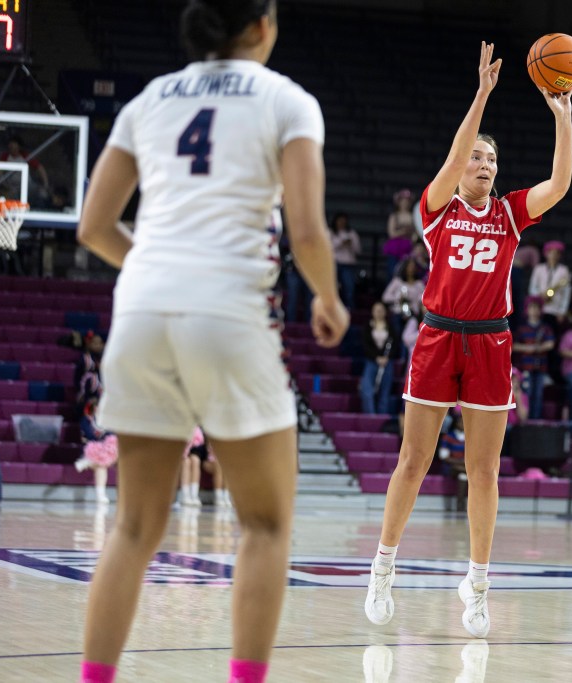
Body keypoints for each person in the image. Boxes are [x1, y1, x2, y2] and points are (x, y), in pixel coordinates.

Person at [75, 3, 350, 681]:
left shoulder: (148, 99)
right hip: (226, 311)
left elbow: (92, 225)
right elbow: (309, 234)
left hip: (139, 309)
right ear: (261, 25)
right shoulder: (289, 100)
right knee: (264, 524)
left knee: (135, 529)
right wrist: (328, 297)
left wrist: (159, 269)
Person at [365, 41, 572, 639]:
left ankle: (478, 584)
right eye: (474, 157)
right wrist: (482, 94)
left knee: (484, 472)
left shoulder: (509, 214)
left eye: (489, 159)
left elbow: (559, 183)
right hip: (436, 337)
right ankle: (383, 567)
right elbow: (456, 151)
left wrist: (562, 118)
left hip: (490, 343)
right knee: (414, 461)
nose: (481, 163)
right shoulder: (435, 210)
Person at [513, 296, 556, 420]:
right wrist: (528, 348)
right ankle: (526, 419)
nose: (534, 311)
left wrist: (537, 348)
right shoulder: (521, 328)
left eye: (537, 308)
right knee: (527, 393)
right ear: (527, 310)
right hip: (525, 367)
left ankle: (535, 421)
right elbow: (512, 345)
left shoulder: (545, 328)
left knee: (538, 395)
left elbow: (550, 344)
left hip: (540, 367)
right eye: (531, 307)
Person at [74, 398, 119, 506]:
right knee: (101, 465)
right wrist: (104, 442)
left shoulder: (112, 420)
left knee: (120, 456)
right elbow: (90, 437)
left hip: (111, 451)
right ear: (95, 407)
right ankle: (100, 495)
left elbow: (113, 436)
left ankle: (123, 495)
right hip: (92, 450)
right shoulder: (87, 420)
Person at [360, 302, 401, 415]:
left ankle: (381, 417)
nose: (379, 313)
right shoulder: (368, 326)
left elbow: (395, 344)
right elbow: (365, 344)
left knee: (385, 392)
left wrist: (386, 357)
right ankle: (370, 416)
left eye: (381, 310)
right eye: (376, 310)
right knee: (367, 390)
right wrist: (376, 357)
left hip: (387, 361)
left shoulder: (390, 326)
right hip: (372, 361)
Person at [529, 240, 571, 328]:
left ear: (560, 255)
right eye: (551, 253)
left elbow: (566, 292)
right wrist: (540, 295)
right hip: (539, 308)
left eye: (556, 253)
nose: (553, 256)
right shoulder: (538, 268)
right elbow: (532, 287)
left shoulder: (564, 270)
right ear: (546, 254)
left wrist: (562, 311)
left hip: (555, 309)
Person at [381, 257, 426, 333]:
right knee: (396, 327)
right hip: (398, 313)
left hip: (414, 314)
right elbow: (385, 297)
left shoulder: (419, 284)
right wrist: (398, 297)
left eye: (413, 267)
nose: (411, 269)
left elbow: (424, 298)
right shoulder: (397, 281)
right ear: (405, 267)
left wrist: (417, 300)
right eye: (409, 266)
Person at [383, 188, 416, 279]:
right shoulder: (394, 216)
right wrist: (403, 232)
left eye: (407, 201)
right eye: (403, 201)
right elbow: (391, 233)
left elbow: (416, 233)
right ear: (399, 202)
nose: (405, 203)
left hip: (409, 248)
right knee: (392, 272)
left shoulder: (413, 216)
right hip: (395, 248)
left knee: (407, 272)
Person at [331, 212, 360, 309]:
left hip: (348, 265)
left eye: (344, 221)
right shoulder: (331, 232)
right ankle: (333, 308)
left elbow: (358, 250)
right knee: (333, 287)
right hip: (334, 264)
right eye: (340, 221)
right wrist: (341, 243)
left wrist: (350, 244)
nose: (342, 223)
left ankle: (349, 308)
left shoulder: (352, 234)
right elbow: (327, 248)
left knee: (349, 287)